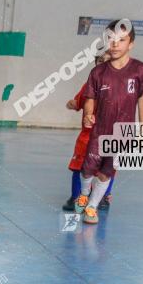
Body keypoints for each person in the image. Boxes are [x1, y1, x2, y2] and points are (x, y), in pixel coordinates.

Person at [76, 19, 143, 225]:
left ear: (131, 43)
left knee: (108, 171)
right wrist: (89, 113)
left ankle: (91, 207)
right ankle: (83, 193)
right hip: (100, 130)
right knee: (88, 168)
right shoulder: (98, 72)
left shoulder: (141, 70)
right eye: (111, 39)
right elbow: (90, 98)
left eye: (121, 40)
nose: (115, 44)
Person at [63, 53, 115, 211]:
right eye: (100, 61)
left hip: (107, 135)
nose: (103, 64)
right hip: (89, 136)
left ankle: (100, 198)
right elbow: (75, 103)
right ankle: (79, 197)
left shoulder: (119, 87)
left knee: (106, 167)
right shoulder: (89, 86)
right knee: (80, 166)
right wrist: (72, 103)